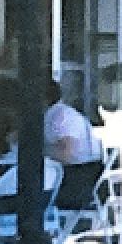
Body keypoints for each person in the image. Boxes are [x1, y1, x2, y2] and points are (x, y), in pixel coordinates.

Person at [43, 77, 103, 214]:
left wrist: (32, 149)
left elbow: (67, 154)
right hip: (77, 174)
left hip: (79, 179)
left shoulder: (62, 116)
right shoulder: (51, 115)